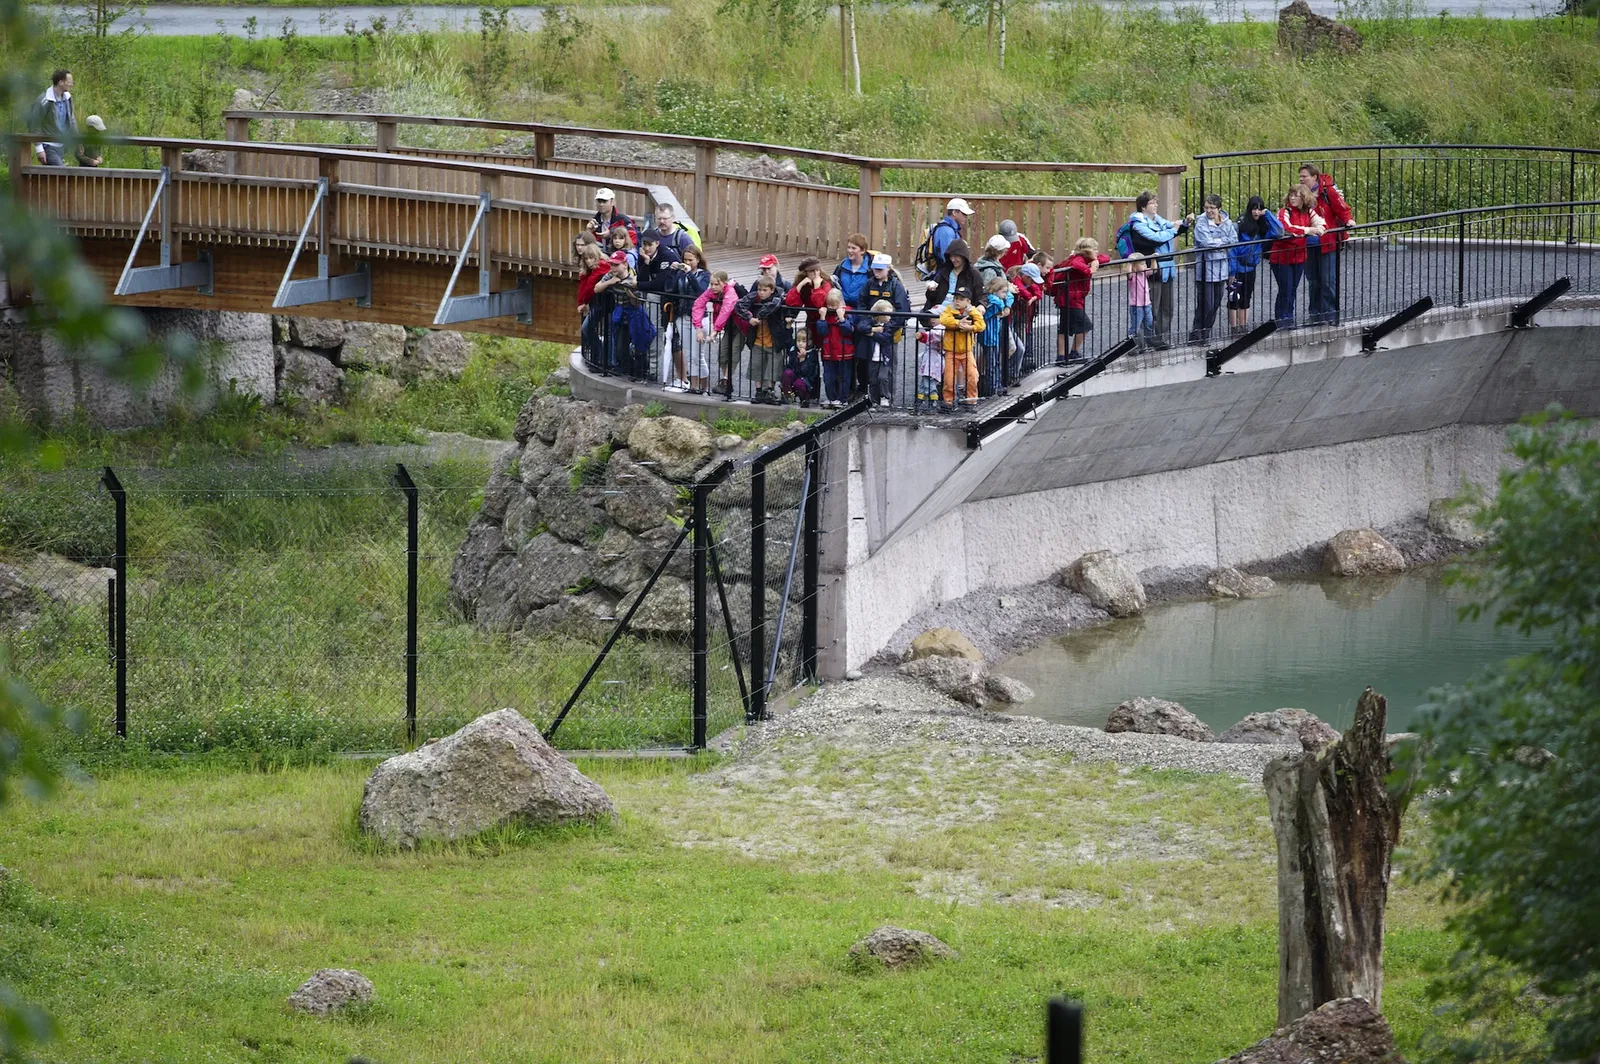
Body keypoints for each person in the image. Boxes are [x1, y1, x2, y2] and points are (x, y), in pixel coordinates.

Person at [1127, 191, 1193, 349]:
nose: (1156, 205)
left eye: (1156, 202)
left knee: (1166, 307)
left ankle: (1160, 339)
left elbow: (1171, 228)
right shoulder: (1137, 225)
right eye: (1152, 203)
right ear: (1143, 206)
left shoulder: (1157, 220)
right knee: (1150, 309)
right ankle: (1142, 342)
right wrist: (1173, 230)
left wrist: (1184, 223)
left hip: (1166, 268)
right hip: (1152, 270)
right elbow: (1156, 238)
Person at [1299, 163, 1353, 325]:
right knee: (1313, 280)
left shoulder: (1327, 191)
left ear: (1314, 177)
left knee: (1328, 280)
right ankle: (1315, 315)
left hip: (1327, 242)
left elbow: (1341, 208)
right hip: (1309, 243)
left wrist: (1348, 220)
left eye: (1304, 176)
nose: (1301, 179)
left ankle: (1330, 314)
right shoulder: (1301, 193)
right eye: (1300, 177)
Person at [1269, 186, 1326, 328]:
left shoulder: (1309, 212)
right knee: (1286, 288)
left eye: (1296, 196)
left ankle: (1288, 318)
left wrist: (1318, 229)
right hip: (1282, 257)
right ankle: (1283, 320)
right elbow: (1286, 229)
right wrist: (1308, 230)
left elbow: (1321, 223)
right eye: (1291, 195)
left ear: (1304, 198)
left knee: (1292, 288)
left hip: (1299, 256)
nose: (1292, 198)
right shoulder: (1284, 211)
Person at [1052, 237, 1109, 364]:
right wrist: (1090, 270)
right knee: (1085, 325)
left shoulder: (1084, 258)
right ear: (1088, 251)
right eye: (1094, 250)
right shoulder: (1078, 259)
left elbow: (1106, 257)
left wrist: (1095, 260)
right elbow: (1077, 265)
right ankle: (1070, 353)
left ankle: (1064, 356)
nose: (1097, 252)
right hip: (1071, 298)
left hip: (1071, 298)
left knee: (1064, 328)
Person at [1189, 194, 1237, 344]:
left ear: (1219, 208)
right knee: (1206, 304)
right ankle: (1197, 334)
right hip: (1206, 269)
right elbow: (1205, 242)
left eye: (1212, 208)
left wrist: (1218, 243)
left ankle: (1206, 334)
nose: (1209, 210)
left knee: (1216, 303)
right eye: (1207, 207)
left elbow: (1234, 240)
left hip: (1221, 269)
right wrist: (1222, 243)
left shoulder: (1227, 222)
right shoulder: (1201, 223)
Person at [1228, 196, 1280, 334]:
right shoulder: (1241, 224)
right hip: (1238, 266)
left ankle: (1243, 326)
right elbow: (1232, 248)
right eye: (1254, 209)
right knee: (1234, 297)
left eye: (1259, 209)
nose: (1256, 212)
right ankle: (1234, 327)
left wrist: (1267, 214)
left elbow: (1279, 231)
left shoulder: (1263, 227)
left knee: (1246, 296)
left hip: (1251, 267)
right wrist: (1232, 271)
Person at [736, 277, 792, 405]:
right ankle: (759, 391)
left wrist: (758, 316)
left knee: (773, 368)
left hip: (773, 340)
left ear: (771, 290)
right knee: (757, 367)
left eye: (764, 290)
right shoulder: (754, 298)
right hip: (757, 340)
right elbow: (739, 305)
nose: (761, 292)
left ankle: (770, 391)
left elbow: (772, 307)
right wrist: (749, 317)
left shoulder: (777, 299)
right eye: (759, 290)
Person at [937, 284, 985, 411]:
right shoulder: (949, 309)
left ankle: (971, 401)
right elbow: (944, 320)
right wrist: (959, 324)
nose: (957, 301)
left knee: (972, 376)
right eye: (956, 298)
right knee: (949, 378)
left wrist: (970, 328)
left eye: (961, 299)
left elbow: (981, 325)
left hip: (966, 350)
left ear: (968, 301)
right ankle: (949, 402)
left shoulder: (973, 311)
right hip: (951, 351)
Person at [694, 270, 740, 397]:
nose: (713, 287)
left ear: (724, 284)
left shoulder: (730, 293)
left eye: (716, 284)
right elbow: (698, 304)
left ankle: (727, 382)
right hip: (728, 327)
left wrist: (715, 330)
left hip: (741, 327)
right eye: (711, 284)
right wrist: (698, 327)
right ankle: (725, 380)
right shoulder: (712, 292)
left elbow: (726, 310)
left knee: (733, 354)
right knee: (722, 355)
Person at [671, 246, 711, 394]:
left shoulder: (705, 275)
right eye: (685, 259)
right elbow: (671, 288)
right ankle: (693, 386)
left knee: (697, 356)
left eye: (690, 260)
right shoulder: (681, 274)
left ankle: (704, 387)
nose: (687, 262)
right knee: (689, 353)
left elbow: (700, 291)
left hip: (699, 318)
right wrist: (672, 272)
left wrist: (690, 274)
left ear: (698, 260)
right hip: (683, 316)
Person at [922, 238, 981, 321]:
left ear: (963, 256)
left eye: (956, 256)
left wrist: (981, 305)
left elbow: (981, 294)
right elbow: (932, 298)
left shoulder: (973, 273)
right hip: (942, 308)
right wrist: (931, 291)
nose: (953, 259)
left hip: (961, 311)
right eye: (951, 256)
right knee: (932, 318)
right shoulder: (944, 271)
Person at [815, 289, 855, 408]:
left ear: (841, 303)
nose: (831, 308)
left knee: (844, 377)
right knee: (828, 377)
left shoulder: (848, 313)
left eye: (834, 305)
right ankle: (831, 398)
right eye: (829, 304)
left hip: (844, 351)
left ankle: (843, 399)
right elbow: (822, 332)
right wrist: (822, 318)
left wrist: (842, 319)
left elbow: (848, 330)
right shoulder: (826, 315)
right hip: (829, 351)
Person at [855, 299, 897, 407]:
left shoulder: (889, 325)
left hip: (885, 357)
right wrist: (874, 329)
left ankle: (885, 397)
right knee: (872, 379)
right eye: (888, 314)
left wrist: (872, 334)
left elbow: (885, 338)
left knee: (883, 377)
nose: (890, 316)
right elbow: (861, 327)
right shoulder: (870, 321)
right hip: (872, 357)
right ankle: (874, 401)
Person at [919, 198, 974, 279]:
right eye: (964, 214)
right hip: (946, 275)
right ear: (954, 212)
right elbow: (947, 257)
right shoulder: (946, 231)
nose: (966, 217)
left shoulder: (949, 229)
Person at [575, 243, 611, 369]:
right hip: (597, 303)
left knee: (587, 328)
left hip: (604, 303)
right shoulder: (589, 270)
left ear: (597, 256)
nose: (589, 261)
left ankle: (600, 358)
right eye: (586, 259)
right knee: (588, 329)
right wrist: (581, 302)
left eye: (591, 258)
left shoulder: (602, 266)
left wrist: (584, 302)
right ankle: (598, 358)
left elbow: (590, 287)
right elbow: (583, 284)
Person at [33, 69, 76, 166]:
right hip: (48, 145)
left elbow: (71, 119)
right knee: (60, 174)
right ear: (61, 82)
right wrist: (39, 149)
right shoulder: (44, 100)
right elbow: (35, 123)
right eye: (70, 82)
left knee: (52, 178)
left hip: (61, 144)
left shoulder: (67, 98)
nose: (72, 84)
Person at [979, 274, 1012, 397]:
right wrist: (1003, 305)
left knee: (995, 362)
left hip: (993, 336)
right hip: (989, 336)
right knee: (992, 364)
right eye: (1003, 292)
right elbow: (988, 315)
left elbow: (1009, 296)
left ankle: (995, 385)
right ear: (995, 290)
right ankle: (992, 388)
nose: (1005, 295)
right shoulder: (992, 303)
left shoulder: (994, 300)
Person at [1127, 253, 1153, 348]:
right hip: (1136, 305)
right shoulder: (1133, 275)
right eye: (1142, 264)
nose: (1145, 265)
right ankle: (1131, 346)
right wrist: (1130, 262)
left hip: (1147, 304)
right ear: (1134, 267)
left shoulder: (1144, 273)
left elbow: (1153, 270)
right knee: (1135, 327)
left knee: (1149, 324)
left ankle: (1148, 343)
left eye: (1145, 263)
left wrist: (1153, 259)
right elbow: (1128, 273)